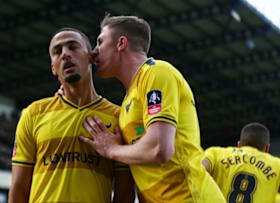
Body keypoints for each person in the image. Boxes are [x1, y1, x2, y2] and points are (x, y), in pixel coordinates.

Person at [79, 14, 226, 202]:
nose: (95, 51)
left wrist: (111, 149)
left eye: (100, 42)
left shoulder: (156, 72)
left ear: (121, 43)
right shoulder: (127, 102)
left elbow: (159, 148)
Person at [8, 27, 134, 203]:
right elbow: (19, 187)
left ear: (91, 57)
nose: (65, 54)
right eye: (57, 51)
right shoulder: (33, 114)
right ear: (53, 67)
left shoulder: (119, 117)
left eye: (73, 47)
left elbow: (125, 192)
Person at [203, 122, 280, 203]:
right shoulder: (277, 165)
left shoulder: (216, 153)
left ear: (239, 145)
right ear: (267, 148)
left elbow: (198, 169)